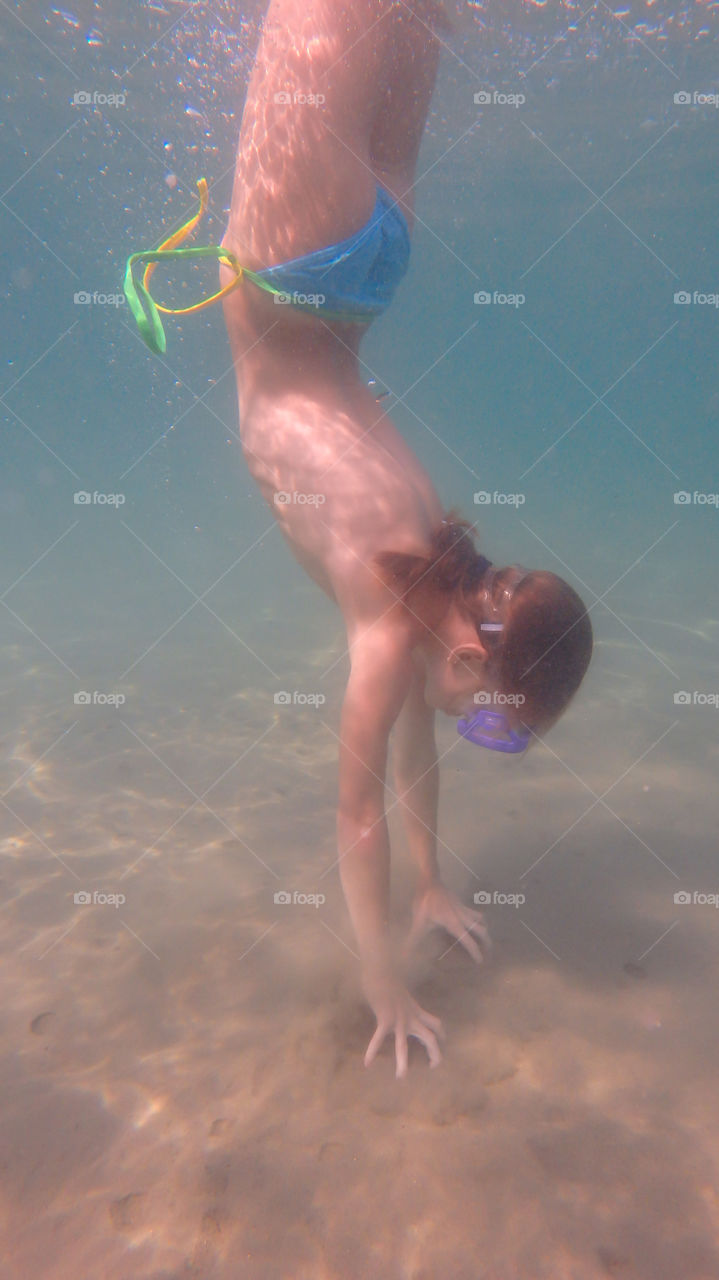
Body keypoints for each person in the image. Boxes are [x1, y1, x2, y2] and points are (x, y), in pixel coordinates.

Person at [220, 0, 593, 1077]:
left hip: (367, 259)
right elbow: (355, 819)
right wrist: (381, 981)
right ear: (468, 656)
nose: (477, 738)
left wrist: (433, 881)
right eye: (497, 728)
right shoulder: (391, 634)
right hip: (286, 271)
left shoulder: (435, 555)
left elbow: (413, 751)